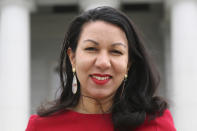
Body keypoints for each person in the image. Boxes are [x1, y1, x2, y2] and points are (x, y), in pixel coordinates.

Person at [26, 6, 176, 131]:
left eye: (116, 51)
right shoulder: (41, 126)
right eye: (91, 48)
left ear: (128, 63)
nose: (103, 63)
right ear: (72, 58)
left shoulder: (156, 124)